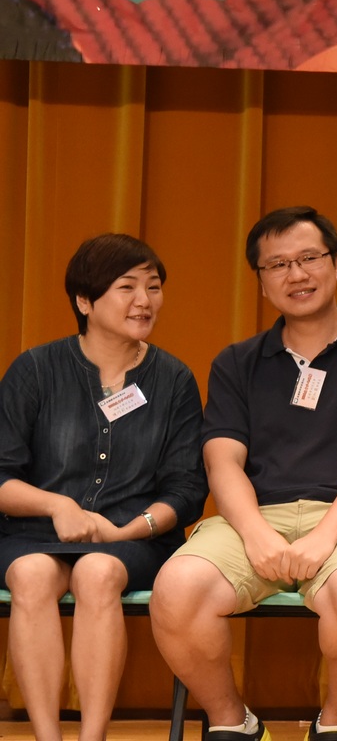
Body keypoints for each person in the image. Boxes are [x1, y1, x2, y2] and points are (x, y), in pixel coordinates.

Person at [150, 206, 337, 741]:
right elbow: (222, 460)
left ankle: (334, 724)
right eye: (277, 264)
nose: (296, 274)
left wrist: (325, 535)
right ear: (261, 281)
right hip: (256, 515)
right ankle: (234, 724)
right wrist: (255, 533)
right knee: (177, 588)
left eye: (308, 258)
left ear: (335, 265)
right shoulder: (237, 362)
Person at [0, 233, 206, 741]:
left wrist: (124, 531)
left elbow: (185, 490)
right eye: (127, 287)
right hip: (34, 532)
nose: (144, 300)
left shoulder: (174, 380)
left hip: (135, 538)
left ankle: (93, 737)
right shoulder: (35, 370)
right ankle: (47, 737)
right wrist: (57, 505)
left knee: (97, 572)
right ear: (84, 301)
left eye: (153, 287)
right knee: (29, 574)